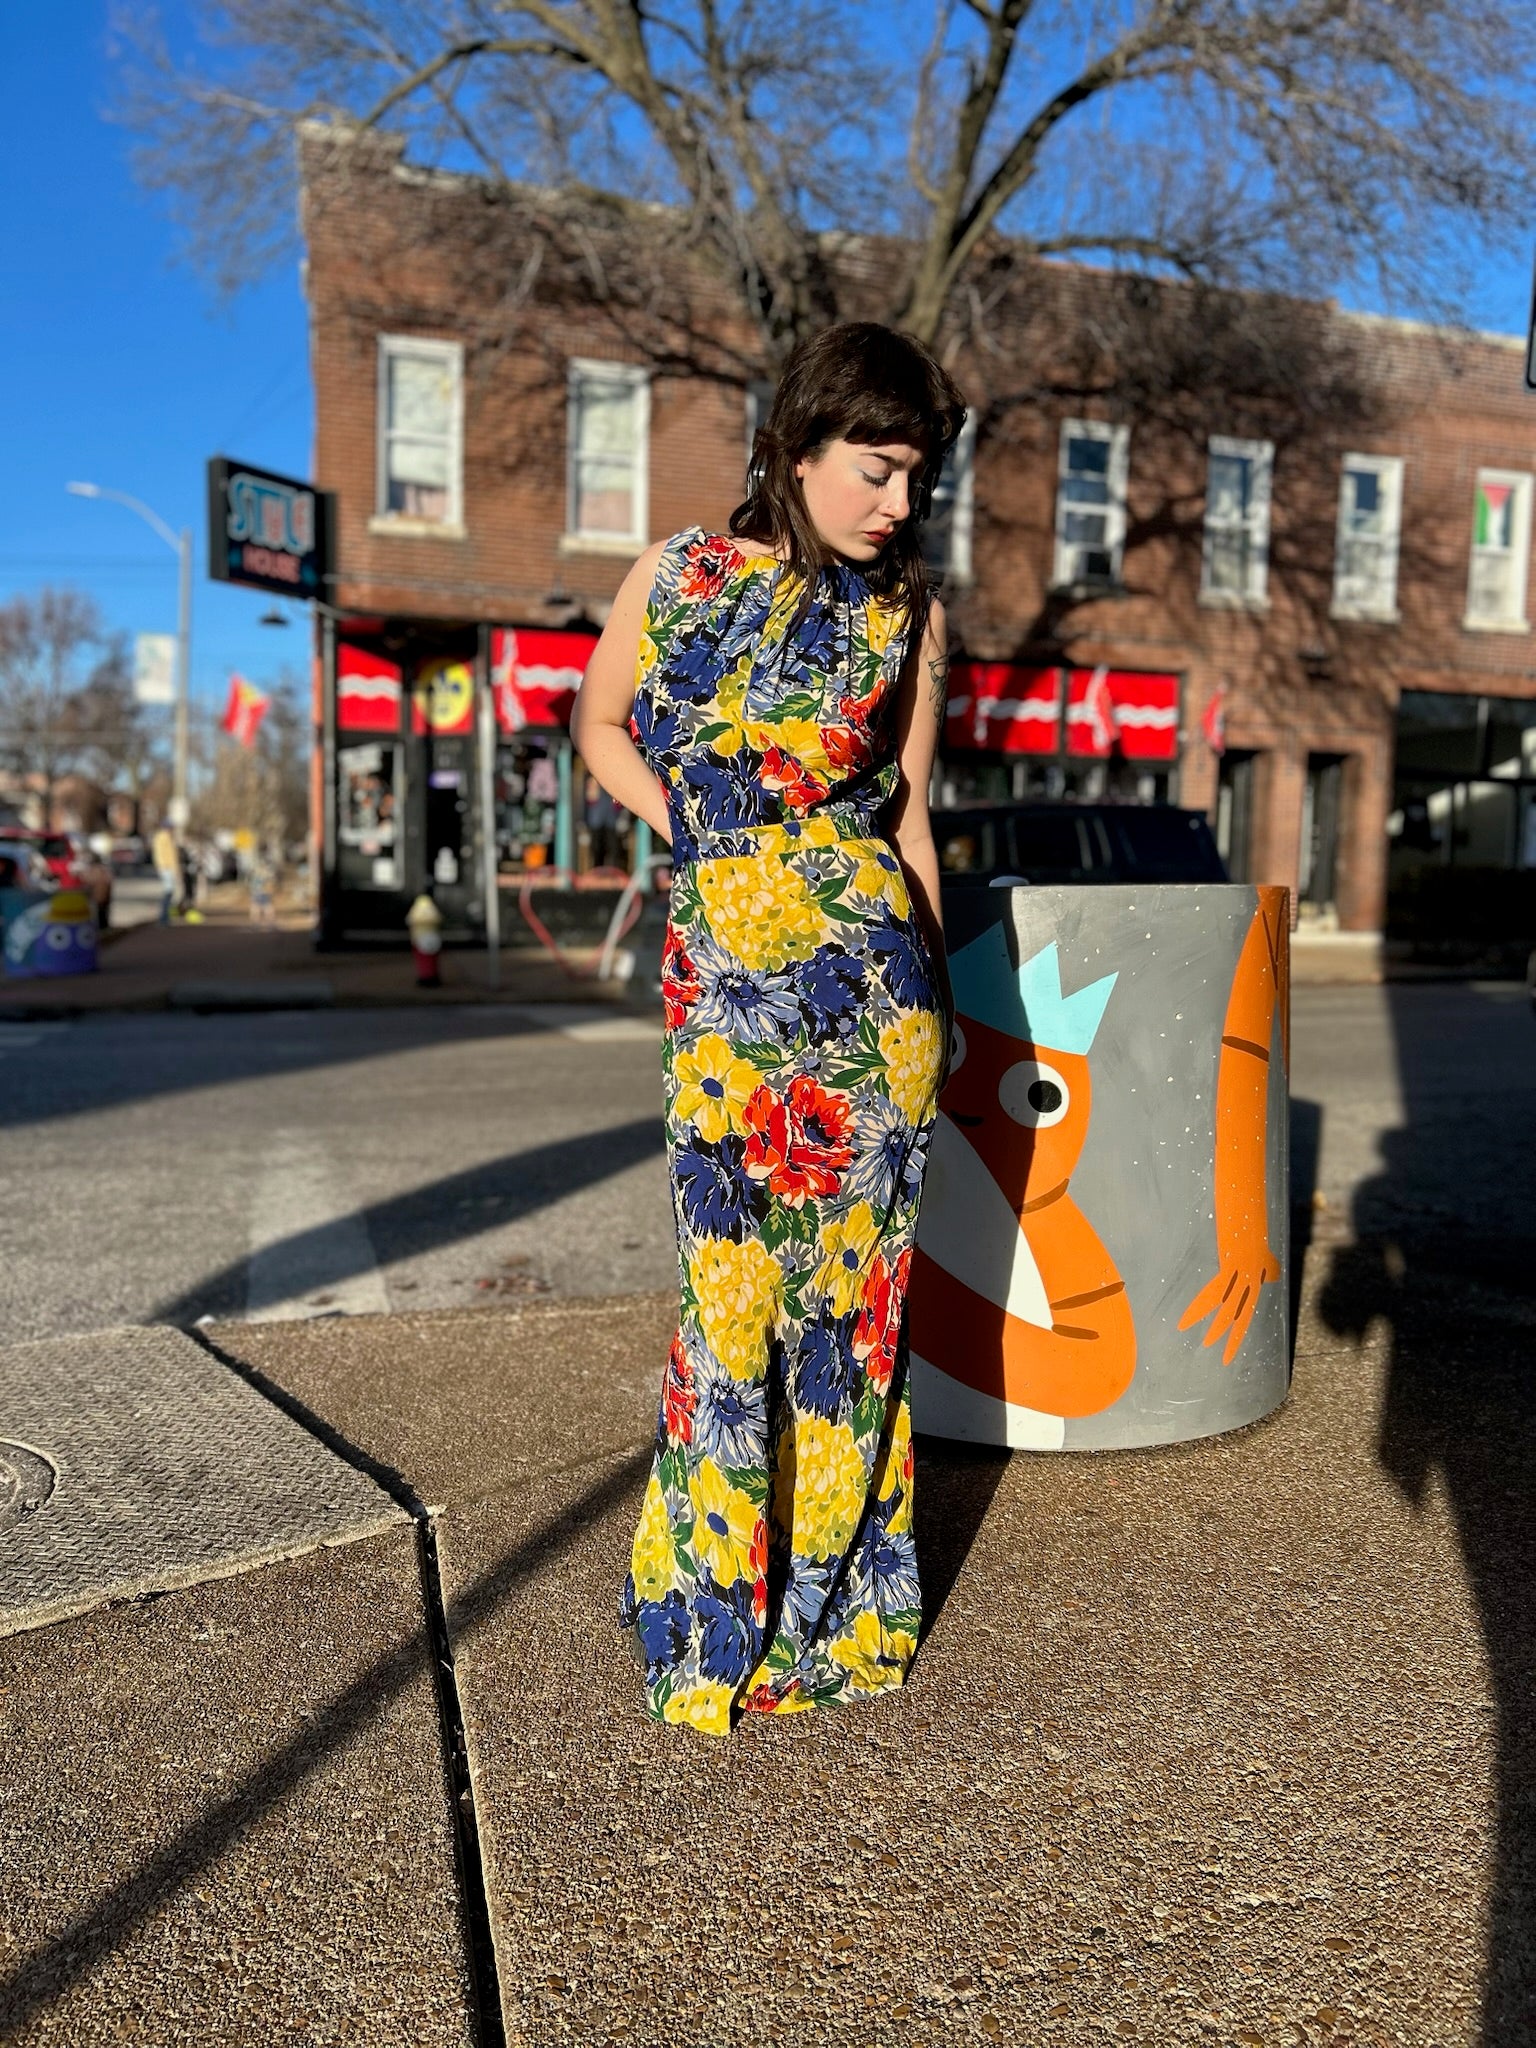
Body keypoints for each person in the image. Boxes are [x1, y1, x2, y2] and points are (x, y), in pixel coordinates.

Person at [574, 322, 964, 1736]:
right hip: (724, 986)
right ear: (794, 448)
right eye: (876, 469)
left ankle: (835, 1614)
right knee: (729, 1295)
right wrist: (692, 824)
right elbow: (601, 722)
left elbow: (911, 812)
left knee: (853, 1315)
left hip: (875, 994)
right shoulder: (679, 574)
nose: (898, 505)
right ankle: (710, 1618)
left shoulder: (907, 612)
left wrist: (946, 994)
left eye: (918, 477)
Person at [151, 821, 180, 924]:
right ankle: (164, 917)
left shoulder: (163, 837)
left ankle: (165, 916)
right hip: (167, 867)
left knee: (169, 892)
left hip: (166, 867)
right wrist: (172, 869)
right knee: (168, 891)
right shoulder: (164, 838)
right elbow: (167, 855)